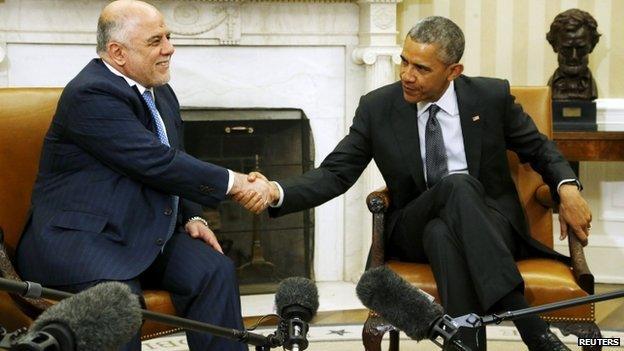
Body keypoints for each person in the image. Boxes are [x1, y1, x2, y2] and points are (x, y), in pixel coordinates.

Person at [253, 16, 592, 351]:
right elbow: (336, 173)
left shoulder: (489, 97)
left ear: (453, 72)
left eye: (421, 68)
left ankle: (464, 345)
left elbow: (539, 148)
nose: (407, 75)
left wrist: (567, 187)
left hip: (489, 226)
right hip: (412, 226)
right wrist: (276, 191)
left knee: (443, 233)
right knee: (457, 187)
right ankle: (531, 327)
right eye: (404, 61)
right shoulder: (378, 107)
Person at [15, 1, 273, 350]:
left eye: (168, 36)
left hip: (141, 229)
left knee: (214, 271)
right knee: (120, 300)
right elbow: (155, 162)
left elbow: (175, 158)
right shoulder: (90, 93)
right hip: (81, 238)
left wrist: (193, 215)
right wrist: (237, 183)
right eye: (155, 41)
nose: (170, 48)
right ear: (117, 52)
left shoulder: (159, 91)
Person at [547, 8, 601, 101]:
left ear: (591, 46)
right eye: (567, 49)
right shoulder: (550, 88)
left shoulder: (590, 88)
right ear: (555, 46)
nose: (574, 57)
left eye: (581, 49)